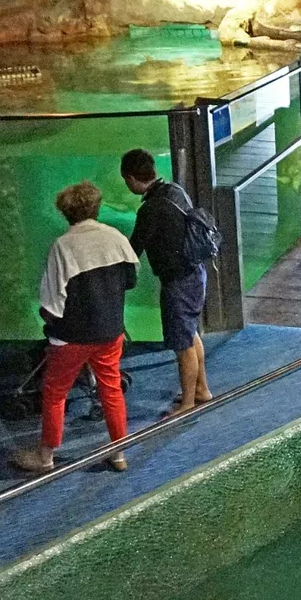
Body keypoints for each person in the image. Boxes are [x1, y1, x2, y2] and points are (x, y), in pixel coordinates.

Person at [11, 181, 134, 474]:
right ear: (96, 206)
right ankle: (119, 453)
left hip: (71, 337)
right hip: (110, 330)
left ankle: (45, 456)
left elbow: (52, 301)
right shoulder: (116, 238)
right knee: (111, 388)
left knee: (55, 392)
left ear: (65, 213)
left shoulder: (62, 246)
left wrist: (50, 323)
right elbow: (130, 279)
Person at [121, 148, 211, 416]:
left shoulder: (151, 209)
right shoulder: (175, 190)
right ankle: (201, 389)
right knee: (190, 334)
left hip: (178, 283)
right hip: (196, 272)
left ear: (131, 178)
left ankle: (187, 405)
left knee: (182, 345)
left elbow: (132, 249)